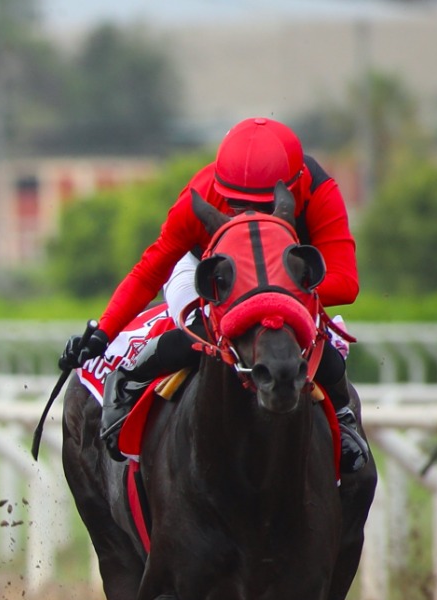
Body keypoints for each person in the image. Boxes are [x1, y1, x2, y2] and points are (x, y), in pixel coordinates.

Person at [64, 117, 368, 471]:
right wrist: (103, 333)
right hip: (209, 273)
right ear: (221, 188)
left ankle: (343, 417)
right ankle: (128, 381)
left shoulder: (318, 190)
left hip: (288, 284)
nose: (249, 217)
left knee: (317, 344)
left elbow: (345, 283)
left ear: (295, 186)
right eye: (235, 205)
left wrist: (276, 294)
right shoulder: (201, 192)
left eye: (264, 206)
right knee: (199, 333)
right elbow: (149, 272)